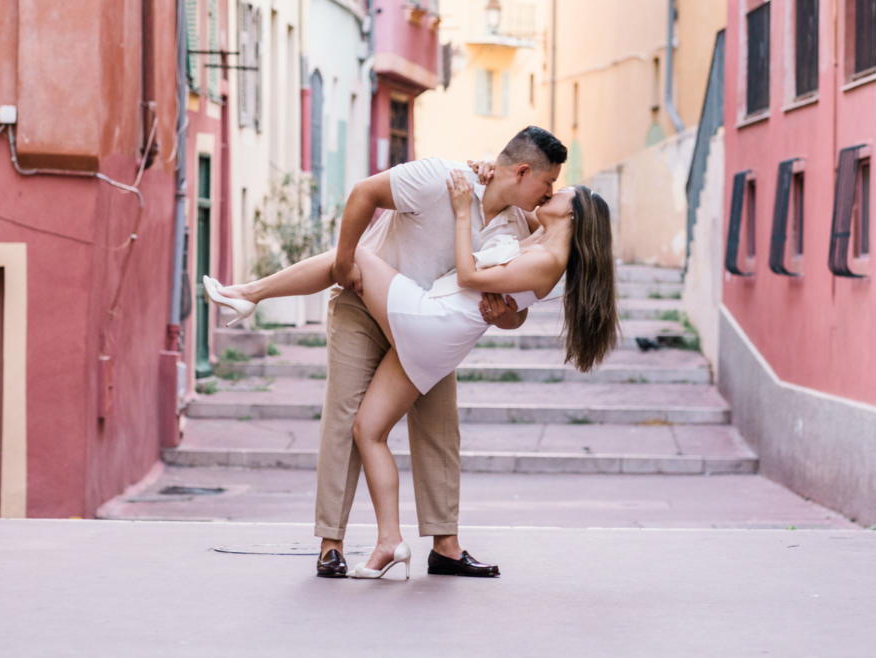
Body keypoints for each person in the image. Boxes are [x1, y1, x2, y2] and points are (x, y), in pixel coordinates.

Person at [205, 132, 620, 580]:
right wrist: (344, 264)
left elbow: (512, 306)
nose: (551, 191)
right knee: (348, 418)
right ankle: (332, 543)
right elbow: (365, 192)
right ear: (522, 172)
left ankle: (445, 546)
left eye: (558, 188)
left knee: (439, 429)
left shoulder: (524, 225)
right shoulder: (443, 178)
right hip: (368, 307)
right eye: (549, 182)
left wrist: (501, 314)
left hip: (429, 321)